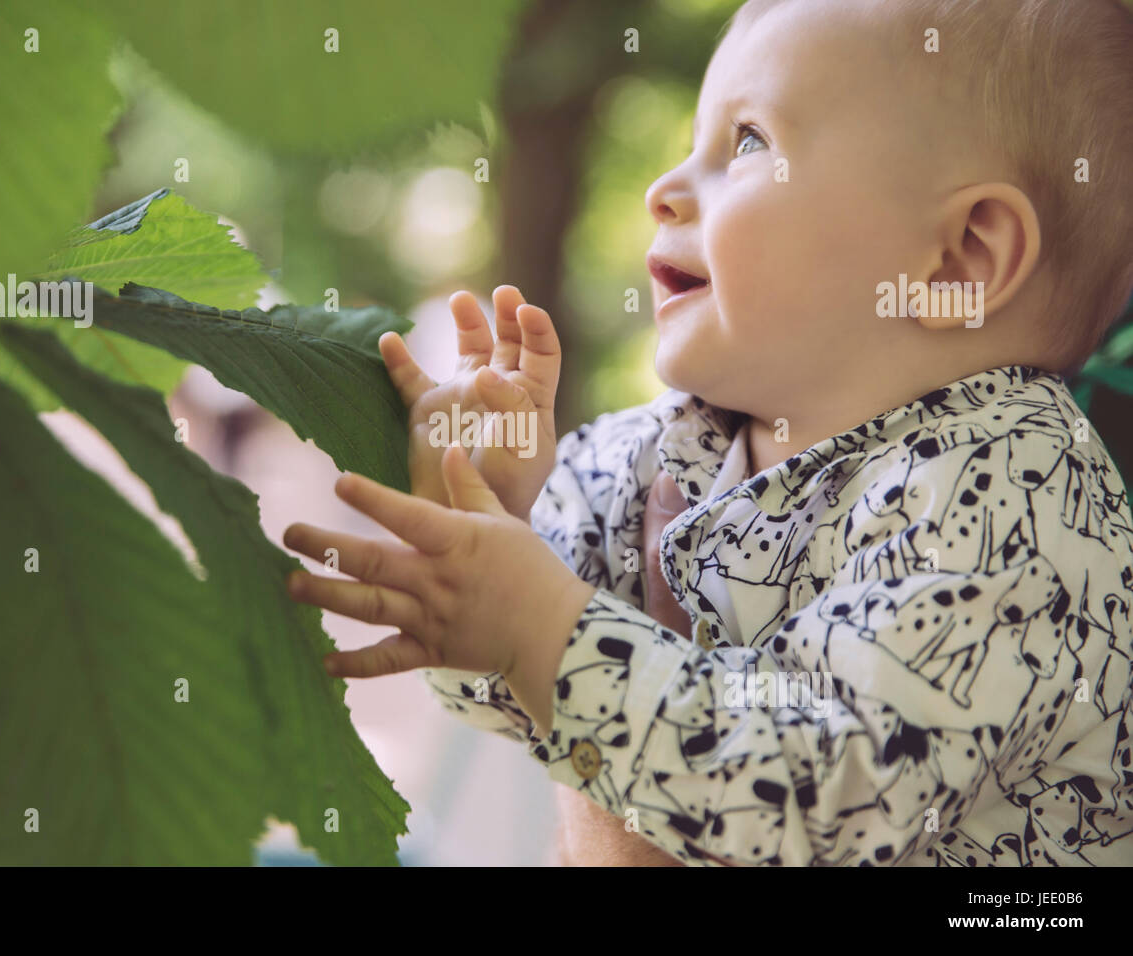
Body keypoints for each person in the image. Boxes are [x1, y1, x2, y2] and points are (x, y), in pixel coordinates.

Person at [283, 0, 1133, 865]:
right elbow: (531, 698)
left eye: (749, 142)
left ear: (959, 260)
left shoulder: (1017, 493)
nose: (663, 189)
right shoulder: (665, 448)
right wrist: (496, 520)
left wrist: (543, 627)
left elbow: (826, 798)